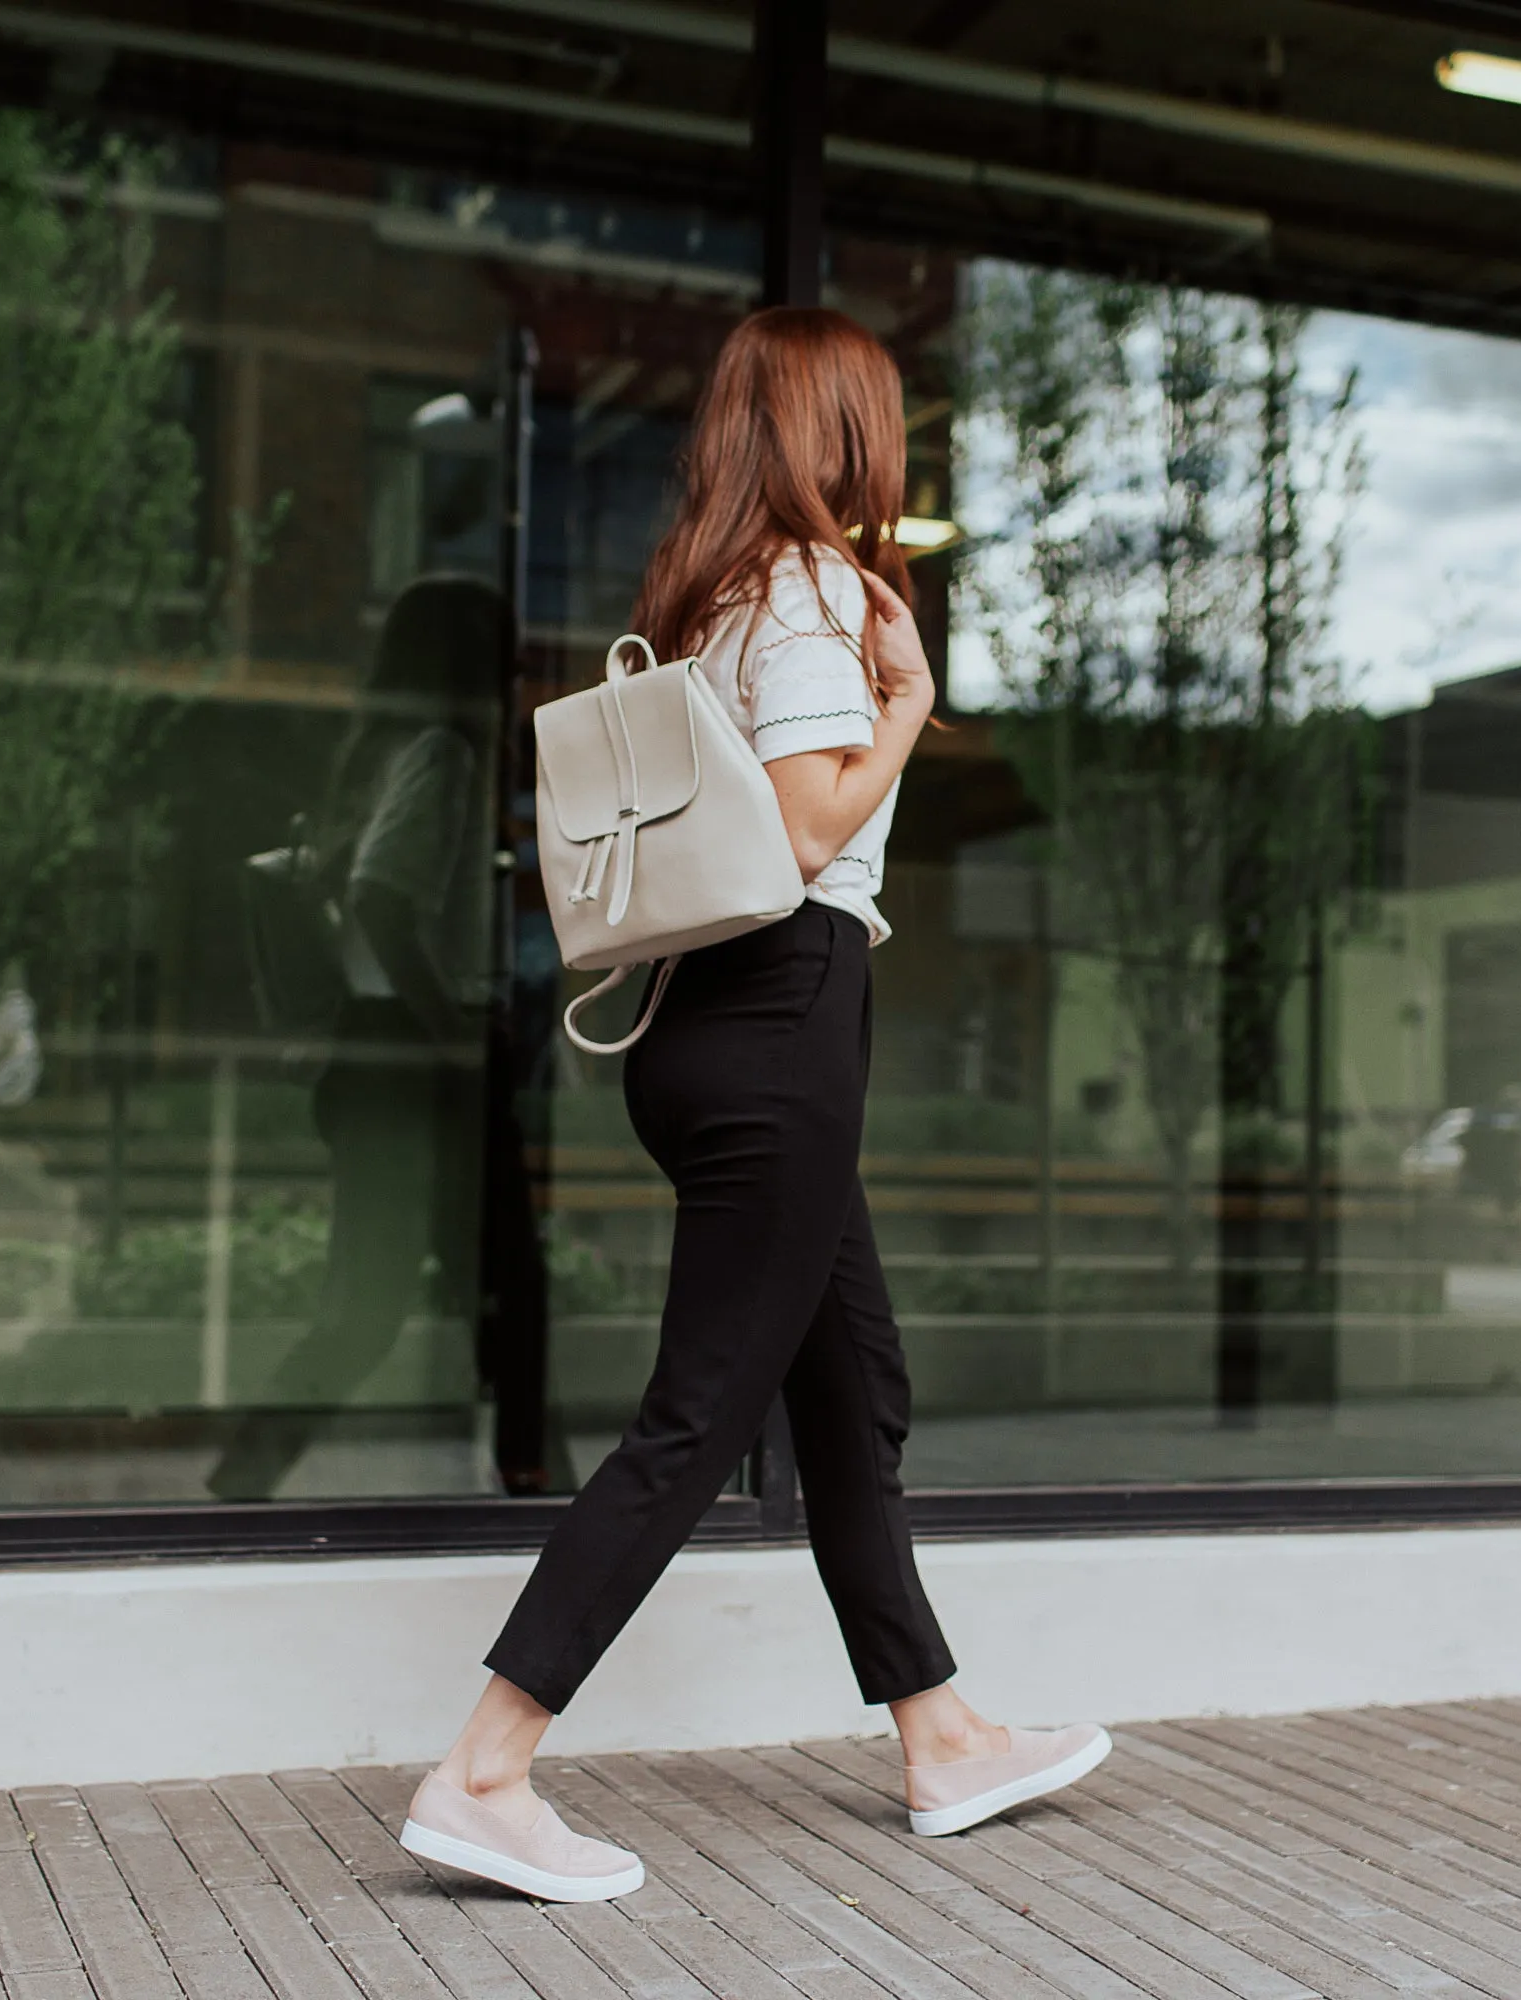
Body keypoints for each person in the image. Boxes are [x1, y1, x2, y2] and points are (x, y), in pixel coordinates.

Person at [396, 308, 1108, 1904]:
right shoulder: (802, 594)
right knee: (698, 1416)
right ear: (846, 428)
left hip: (711, 1029)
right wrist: (912, 703)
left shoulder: (710, 597)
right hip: (783, 1021)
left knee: (850, 1390)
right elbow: (800, 836)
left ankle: (941, 1737)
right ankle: (484, 1769)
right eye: (885, 414)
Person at [212, 575, 507, 1501]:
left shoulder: (377, 756)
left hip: (376, 1054)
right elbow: (382, 903)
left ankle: (547, 1486)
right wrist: (454, 1039)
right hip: (412, 1052)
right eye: (500, 644)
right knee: (447, 1297)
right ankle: (240, 1480)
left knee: (446, 1296)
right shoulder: (441, 755)